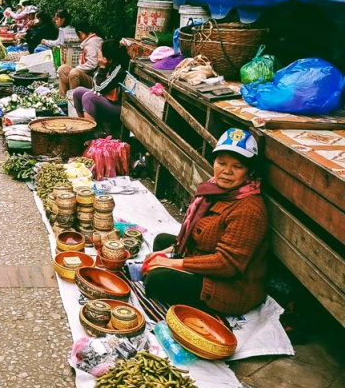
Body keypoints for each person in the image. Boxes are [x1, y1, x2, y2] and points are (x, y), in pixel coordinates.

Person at [144, 128, 268, 315]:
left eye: (237, 166)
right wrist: (168, 253)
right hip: (205, 257)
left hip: (231, 286)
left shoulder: (249, 209)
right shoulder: (215, 191)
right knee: (162, 240)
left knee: (157, 279)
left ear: (249, 171)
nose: (227, 171)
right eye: (221, 163)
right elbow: (195, 235)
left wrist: (171, 264)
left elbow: (226, 264)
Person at [71, 39, 129, 123]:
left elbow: (98, 88)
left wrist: (102, 67)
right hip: (107, 99)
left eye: (101, 50)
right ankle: (82, 125)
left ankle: (89, 132)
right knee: (77, 92)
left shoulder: (119, 69)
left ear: (109, 58)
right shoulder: (111, 64)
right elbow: (95, 87)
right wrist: (101, 67)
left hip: (119, 108)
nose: (99, 52)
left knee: (89, 97)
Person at [57, 21, 103, 95]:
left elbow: (92, 64)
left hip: (95, 79)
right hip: (88, 74)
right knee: (62, 69)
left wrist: (76, 69)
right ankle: (63, 97)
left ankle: (73, 101)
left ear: (81, 33)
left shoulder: (93, 42)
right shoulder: (90, 41)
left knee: (74, 73)